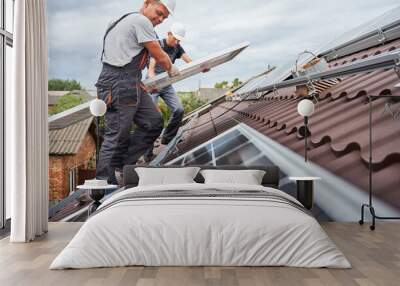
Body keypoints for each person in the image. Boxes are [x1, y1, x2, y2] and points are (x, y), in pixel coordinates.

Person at [95, 0, 180, 184]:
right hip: (117, 82)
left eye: (164, 17)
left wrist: (136, 80)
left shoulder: (122, 20)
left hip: (131, 81)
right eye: (159, 13)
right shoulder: (142, 22)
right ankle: (103, 184)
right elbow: (159, 54)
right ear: (147, 3)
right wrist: (171, 68)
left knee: (153, 122)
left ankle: (123, 165)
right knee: (117, 134)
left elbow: (123, 53)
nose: (160, 19)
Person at [144, 22, 207, 162]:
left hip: (166, 84)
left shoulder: (177, 47)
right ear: (168, 33)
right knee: (152, 119)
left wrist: (202, 66)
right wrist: (154, 83)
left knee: (179, 109)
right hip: (153, 84)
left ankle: (167, 137)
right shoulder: (158, 45)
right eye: (175, 39)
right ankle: (147, 154)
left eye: (179, 40)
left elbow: (189, 62)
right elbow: (151, 69)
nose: (177, 42)